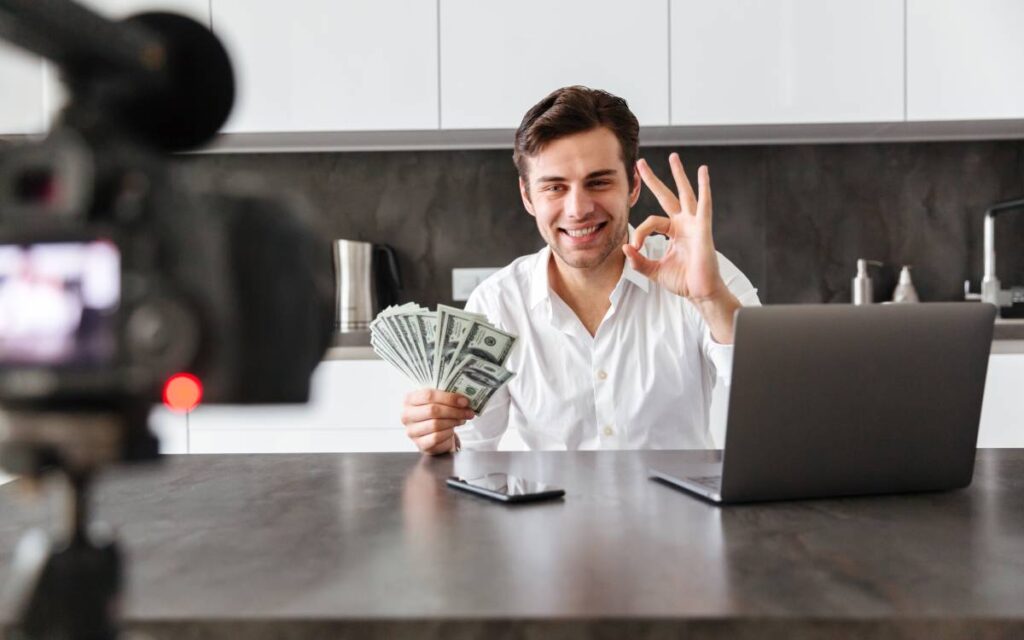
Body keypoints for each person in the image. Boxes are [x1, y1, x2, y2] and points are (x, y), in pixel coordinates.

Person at [401, 86, 759, 454]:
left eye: (599, 182)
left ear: (633, 187)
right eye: (555, 187)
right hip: (552, 510)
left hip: (684, 510)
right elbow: (470, 451)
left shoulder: (705, 276)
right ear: (528, 197)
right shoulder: (496, 304)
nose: (578, 209)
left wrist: (710, 298)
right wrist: (439, 437)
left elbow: (771, 401)